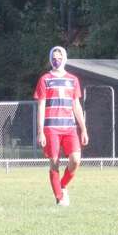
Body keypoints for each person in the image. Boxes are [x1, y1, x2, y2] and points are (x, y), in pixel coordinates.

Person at [34, 46, 88, 206]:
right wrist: (40, 131)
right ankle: (59, 197)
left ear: (64, 58)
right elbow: (41, 105)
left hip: (69, 127)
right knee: (54, 162)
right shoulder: (45, 79)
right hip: (51, 128)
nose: (56, 60)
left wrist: (83, 129)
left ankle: (62, 185)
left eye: (59, 57)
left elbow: (76, 106)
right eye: (54, 57)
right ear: (50, 59)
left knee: (76, 160)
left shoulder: (73, 80)